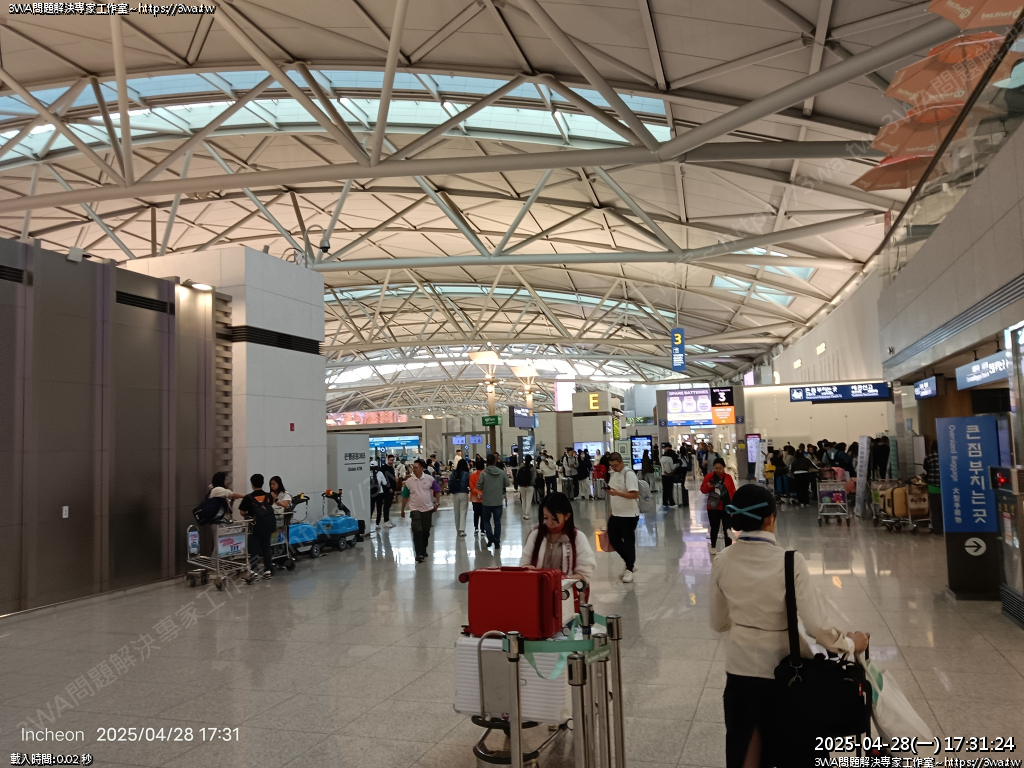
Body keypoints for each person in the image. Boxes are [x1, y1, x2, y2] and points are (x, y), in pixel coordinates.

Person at [709, 483, 869, 766]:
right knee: (796, 749)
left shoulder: (722, 560)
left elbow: (719, 622)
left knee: (744, 744)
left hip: (739, 668)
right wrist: (849, 643)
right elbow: (816, 627)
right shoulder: (790, 561)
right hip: (786, 671)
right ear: (770, 519)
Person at [520, 492, 595, 582]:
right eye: (546, 518)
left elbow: (584, 573)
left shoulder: (578, 538)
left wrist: (563, 581)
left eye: (554, 519)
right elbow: (524, 563)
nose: (549, 523)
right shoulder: (535, 534)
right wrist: (527, 569)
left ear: (566, 516)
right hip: (538, 588)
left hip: (566, 589)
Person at [606, 452, 640, 583]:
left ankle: (629, 568)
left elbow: (634, 494)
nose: (614, 468)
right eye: (611, 466)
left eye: (615, 465)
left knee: (628, 541)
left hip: (629, 515)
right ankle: (630, 562)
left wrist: (617, 493)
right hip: (616, 514)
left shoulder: (628, 474)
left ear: (621, 462)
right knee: (613, 539)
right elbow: (613, 495)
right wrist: (611, 511)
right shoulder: (613, 474)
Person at [400, 459, 441, 563]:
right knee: (417, 531)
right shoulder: (409, 481)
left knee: (426, 531)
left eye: (416, 467)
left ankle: (423, 549)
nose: (413, 469)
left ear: (422, 468)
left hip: (427, 509)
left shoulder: (429, 479)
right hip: (415, 509)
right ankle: (419, 553)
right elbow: (405, 496)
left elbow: (437, 491)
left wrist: (437, 503)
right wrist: (402, 509)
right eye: (413, 467)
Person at [239, 473, 277, 578]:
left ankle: (254, 571)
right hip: (267, 526)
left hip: (254, 527)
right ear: (263, 483)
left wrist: (248, 514)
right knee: (266, 548)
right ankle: (268, 570)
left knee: (254, 549)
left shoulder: (248, 497)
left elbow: (242, 512)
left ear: (252, 484)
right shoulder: (268, 496)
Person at [200, 472, 244, 555]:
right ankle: (214, 563)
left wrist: (232, 501)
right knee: (219, 546)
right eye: (226, 479)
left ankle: (219, 562)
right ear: (221, 480)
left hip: (222, 522)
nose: (227, 482)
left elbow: (228, 510)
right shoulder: (217, 490)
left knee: (224, 546)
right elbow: (232, 494)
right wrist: (246, 496)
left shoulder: (221, 493)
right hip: (217, 523)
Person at [701, 457, 736, 553]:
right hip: (713, 507)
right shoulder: (709, 477)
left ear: (724, 467)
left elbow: (733, 491)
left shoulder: (728, 477)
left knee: (727, 528)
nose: (718, 470)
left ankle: (728, 548)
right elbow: (703, 490)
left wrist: (733, 506)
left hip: (726, 507)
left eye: (720, 468)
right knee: (714, 527)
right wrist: (708, 486)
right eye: (716, 468)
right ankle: (713, 545)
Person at [479, 453, 510, 549]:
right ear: (495, 461)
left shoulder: (483, 473)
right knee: (497, 522)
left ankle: (490, 537)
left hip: (486, 501)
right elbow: (507, 483)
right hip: (498, 500)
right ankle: (497, 541)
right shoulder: (501, 472)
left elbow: (479, 486)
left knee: (486, 520)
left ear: (487, 462)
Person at [924, 440, 943, 534]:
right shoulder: (945, 456)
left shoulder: (928, 457)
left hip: (933, 486)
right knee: (944, 509)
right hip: (944, 486)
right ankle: (946, 528)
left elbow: (926, 468)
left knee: (935, 509)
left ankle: (937, 529)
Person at [448, 458, 471, 537]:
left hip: (455, 494)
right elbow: (469, 484)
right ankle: (462, 529)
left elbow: (449, 483)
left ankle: (457, 529)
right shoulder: (467, 474)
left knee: (456, 511)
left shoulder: (453, 473)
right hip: (464, 493)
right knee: (463, 511)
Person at [370, 460, 393, 531]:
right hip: (380, 493)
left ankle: (368, 522)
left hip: (371, 493)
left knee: (371, 508)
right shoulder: (380, 473)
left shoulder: (367, 473)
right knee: (379, 509)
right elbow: (385, 482)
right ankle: (377, 524)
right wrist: (389, 488)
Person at [380, 456, 398, 528]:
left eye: (392, 460)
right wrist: (389, 487)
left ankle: (387, 520)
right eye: (390, 460)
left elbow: (393, 479)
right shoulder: (383, 468)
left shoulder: (392, 468)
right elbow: (383, 480)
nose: (391, 461)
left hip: (392, 490)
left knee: (389, 504)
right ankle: (385, 520)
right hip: (386, 490)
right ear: (387, 459)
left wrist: (394, 489)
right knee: (386, 505)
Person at [469, 457, 485, 535]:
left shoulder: (472, 476)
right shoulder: (485, 475)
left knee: (476, 513)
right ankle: (483, 529)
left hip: (474, 497)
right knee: (483, 514)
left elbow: (471, 487)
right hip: (484, 497)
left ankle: (476, 528)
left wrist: (477, 492)